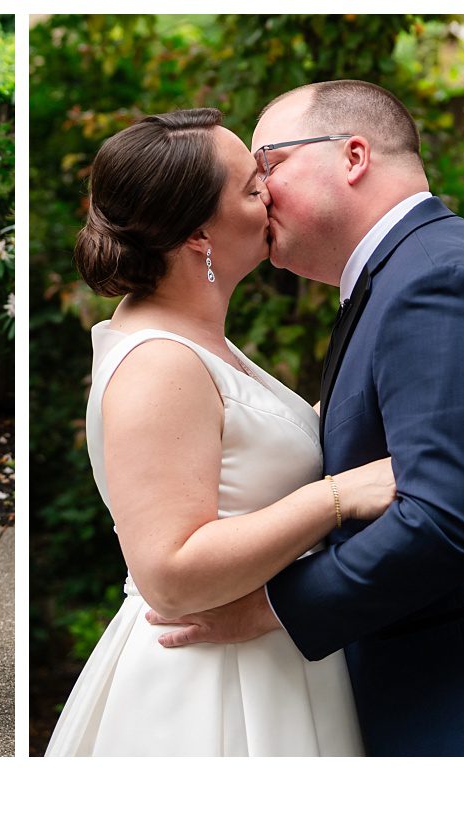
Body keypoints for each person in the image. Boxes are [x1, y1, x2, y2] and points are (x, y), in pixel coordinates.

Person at [154, 81, 464, 757]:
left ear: (353, 155)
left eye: (269, 166)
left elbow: (442, 520)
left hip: (456, 689)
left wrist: (265, 608)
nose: (261, 194)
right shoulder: (399, 275)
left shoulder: (439, 280)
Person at [42, 109, 396, 756]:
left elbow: (251, 453)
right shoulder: (159, 361)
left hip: (271, 657)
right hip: (213, 690)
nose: (272, 192)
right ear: (199, 233)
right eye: (251, 186)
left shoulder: (195, 334)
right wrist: (338, 496)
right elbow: (169, 573)